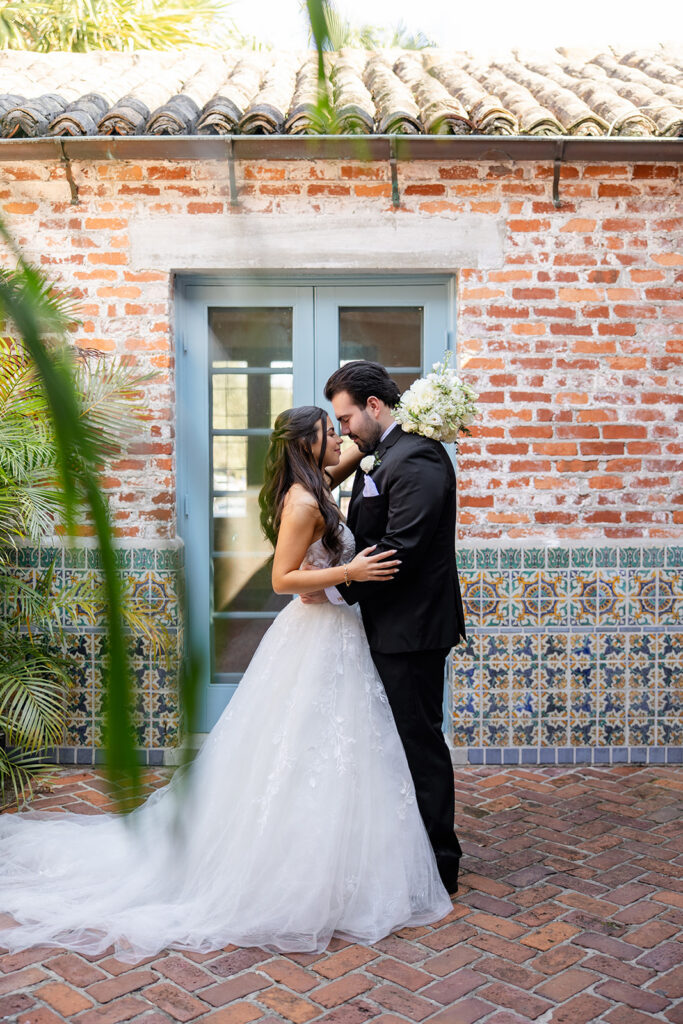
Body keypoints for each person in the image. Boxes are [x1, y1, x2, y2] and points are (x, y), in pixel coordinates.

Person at [0, 405, 453, 964]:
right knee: (300, 746)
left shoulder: (317, 483)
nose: (340, 438)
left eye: (340, 426)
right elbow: (282, 579)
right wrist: (348, 573)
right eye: (328, 432)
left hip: (339, 632)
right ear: (307, 446)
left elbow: (362, 449)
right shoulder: (303, 501)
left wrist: (413, 423)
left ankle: (339, 855)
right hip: (316, 633)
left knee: (336, 747)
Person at [314, 362, 467, 896]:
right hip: (391, 624)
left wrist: (335, 589)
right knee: (396, 740)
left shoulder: (417, 456)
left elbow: (403, 547)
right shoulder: (385, 451)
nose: (344, 430)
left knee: (418, 742)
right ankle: (408, 854)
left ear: (374, 406)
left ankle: (440, 864)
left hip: (413, 629)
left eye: (346, 418)